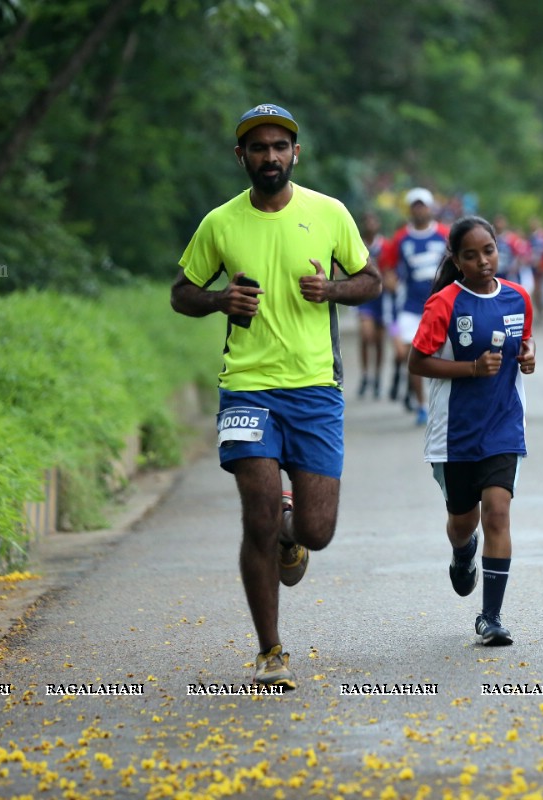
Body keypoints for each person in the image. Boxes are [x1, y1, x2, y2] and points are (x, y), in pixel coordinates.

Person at [170, 103, 382, 688]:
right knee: (256, 512)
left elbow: (372, 282)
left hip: (315, 387)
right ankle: (271, 651)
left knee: (316, 530)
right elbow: (182, 291)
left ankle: (293, 533)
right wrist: (219, 301)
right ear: (241, 156)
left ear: (296, 154)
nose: (269, 157)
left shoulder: (329, 212)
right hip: (246, 388)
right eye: (257, 148)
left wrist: (333, 288)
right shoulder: (220, 223)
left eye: (279, 147)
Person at [407, 216, 536, 646]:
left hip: (503, 426)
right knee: (463, 523)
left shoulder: (518, 298)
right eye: (470, 255)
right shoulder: (444, 303)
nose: (482, 261)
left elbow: (523, 343)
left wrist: (528, 355)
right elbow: (418, 362)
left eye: (489, 251)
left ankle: (491, 617)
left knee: (497, 512)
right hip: (455, 433)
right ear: (457, 260)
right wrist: (472, 368)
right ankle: (463, 551)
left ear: (499, 250)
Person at [382, 188, 450, 426]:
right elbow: (388, 266)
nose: (419, 209)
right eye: (415, 205)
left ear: (430, 208)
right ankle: (422, 405)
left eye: (423, 205)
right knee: (413, 355)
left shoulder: (444, 234)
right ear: (410, 209)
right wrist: (390, 280)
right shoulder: (401, 238)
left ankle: (443, 404)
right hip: (410, 306)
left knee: (446, 356)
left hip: (442, 306)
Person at [356, 211, 388, 399]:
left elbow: (393, 266)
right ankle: (365, 375)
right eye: (367, 220)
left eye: (373, 220)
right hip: (365, 295)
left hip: (383, 298)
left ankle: (376, 377)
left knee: (379, 340)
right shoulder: (358, 244)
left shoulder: (385, 245)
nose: (370, 223)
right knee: (366, 335)